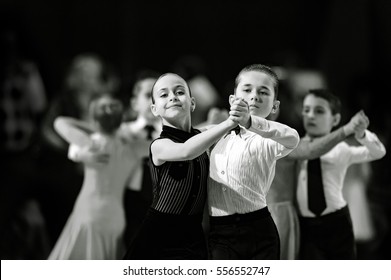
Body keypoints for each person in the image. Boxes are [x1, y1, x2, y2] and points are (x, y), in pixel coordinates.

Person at [123, 73, 241, 260]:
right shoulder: (158, 145)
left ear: (192, 103)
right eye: (164, 95)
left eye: (179, 91)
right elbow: (187, 151)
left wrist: (242, 112)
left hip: (194, 234)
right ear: (154, 109)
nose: (172, 97)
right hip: (158, 234)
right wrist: (228, 123)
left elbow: (222, 129)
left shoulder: (204, 134)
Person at [207, 64, 300, 260]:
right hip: (218, 230)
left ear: (274, 106)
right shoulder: (215, 133)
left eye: (263, 92)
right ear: (232, 99)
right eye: (247, 89)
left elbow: (292, 137)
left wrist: (250, 121)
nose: (254, 96)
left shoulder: (271, 139)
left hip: (257, 231)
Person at [48, 94, 149, 259]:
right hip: (116, 218)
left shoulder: (90, 144)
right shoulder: (133, 149)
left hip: (88, 213)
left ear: (94, 120)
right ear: (121, 118)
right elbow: (170, 142)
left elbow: (59, 122)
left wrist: (95, 127)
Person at [266, 107, 369, 260]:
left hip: (277, 216)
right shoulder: (234, 139)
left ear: (276, 109)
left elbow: (310, 149)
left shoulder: (280, 140)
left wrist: (346, 130)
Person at [295, 89, 386, 260]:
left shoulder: (341, 148)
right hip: (305, 223)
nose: (311, 116)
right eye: (306, 110)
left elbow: (378, 152)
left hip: (336, 221)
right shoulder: (295, 146)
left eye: (319, 111)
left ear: (335, 119)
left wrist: (363, 135)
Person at [119, 69, 162, 246]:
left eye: (160, 95)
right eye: (147, 95)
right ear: (134, 103)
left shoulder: (178, 136)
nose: (154, 101)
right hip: (129, 201)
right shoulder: (122, 132)